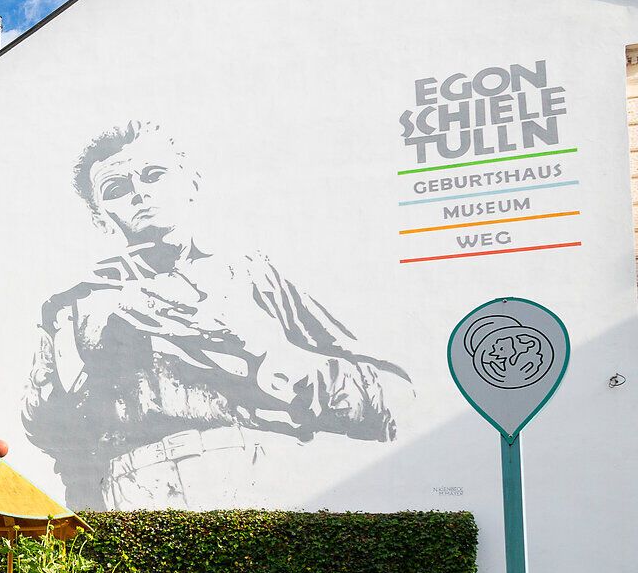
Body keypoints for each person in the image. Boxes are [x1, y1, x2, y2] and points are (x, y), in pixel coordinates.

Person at [22, 121, 408, 507]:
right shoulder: (73, 309)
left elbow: (394, 397)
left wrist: (270, 354)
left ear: (191, 183)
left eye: (154, 175)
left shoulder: (254, 275)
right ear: (99, 216)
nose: (140, 193)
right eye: (117, 189)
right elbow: (53, 435)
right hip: (142, 506)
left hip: (274, 492)